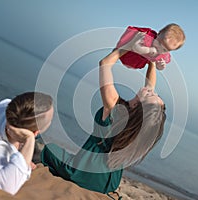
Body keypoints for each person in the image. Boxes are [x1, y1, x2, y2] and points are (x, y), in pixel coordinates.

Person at [41, 37, 166, 199]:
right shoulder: (140, 127)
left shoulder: (114, 108)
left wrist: (128, 47)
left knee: (49, 149)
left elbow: (104, 64)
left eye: (151, 94)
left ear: (137, 107)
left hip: (83, 174)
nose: (151, 90)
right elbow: (150, 86)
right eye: (154, 93)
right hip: (109, 183)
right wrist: (151, 60)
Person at [0, 92, 54, 195]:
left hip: (16, 139)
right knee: (40, 158)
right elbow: (7, 187)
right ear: (36, 132)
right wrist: (29, 140)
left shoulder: (13, 109)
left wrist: (21, 151)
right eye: (51, 120)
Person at [116, 23, 185, 70]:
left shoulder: (163, 54)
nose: (159, 49)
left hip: (135, 63)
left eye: (164, 49)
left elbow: (158, 67)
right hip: (128, 54)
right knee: (118, 50)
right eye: (159, 43)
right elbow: (135, 47)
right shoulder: (148, 37)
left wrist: (160, 66)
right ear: (159, 34)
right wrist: (149, 50)